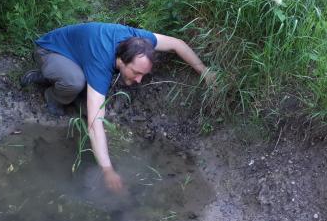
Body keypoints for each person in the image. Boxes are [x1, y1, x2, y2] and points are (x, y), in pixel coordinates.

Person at [21, 22, 213, 193]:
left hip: (77, 56)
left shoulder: (140, 43)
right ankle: (51, 93)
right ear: (121, 60)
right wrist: (107, 170)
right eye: (136, 73)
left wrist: (205, 72)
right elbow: (95, 125)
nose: (139, 80)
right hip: (49, 51)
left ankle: (60, 79)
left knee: (85, 99)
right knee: (74, 82)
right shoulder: (101, 61)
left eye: (143, 75)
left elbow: (177, 44)